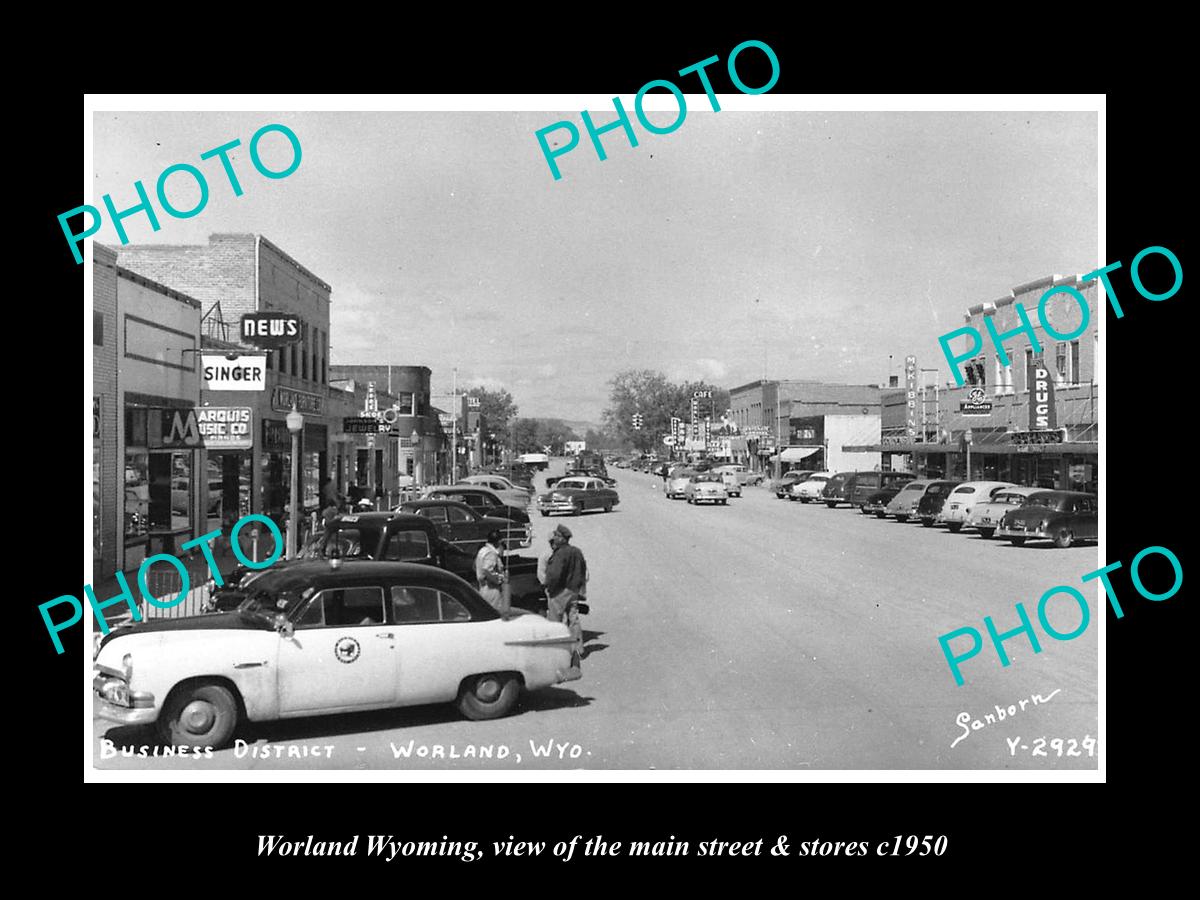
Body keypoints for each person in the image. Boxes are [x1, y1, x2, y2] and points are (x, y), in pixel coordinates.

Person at [543, 523, 587, 664]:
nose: (554, 538)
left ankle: (554, 652)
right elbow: (583, 571)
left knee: (555, 622)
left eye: (556, 535)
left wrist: (550, 588)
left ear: (562, 538)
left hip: (560, 591)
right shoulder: (577, 551)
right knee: (574, 620)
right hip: (573, 591)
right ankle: (578, 649)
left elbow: (555, 575)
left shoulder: (560, 553)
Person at [474, 529, 510, 614]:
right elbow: (488, 572)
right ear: (498, 542)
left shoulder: (483, 550)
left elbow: (474, 566)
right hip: (492, 590)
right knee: (495, 615)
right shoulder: (491, 553)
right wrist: (502, 579)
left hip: (483, 588)